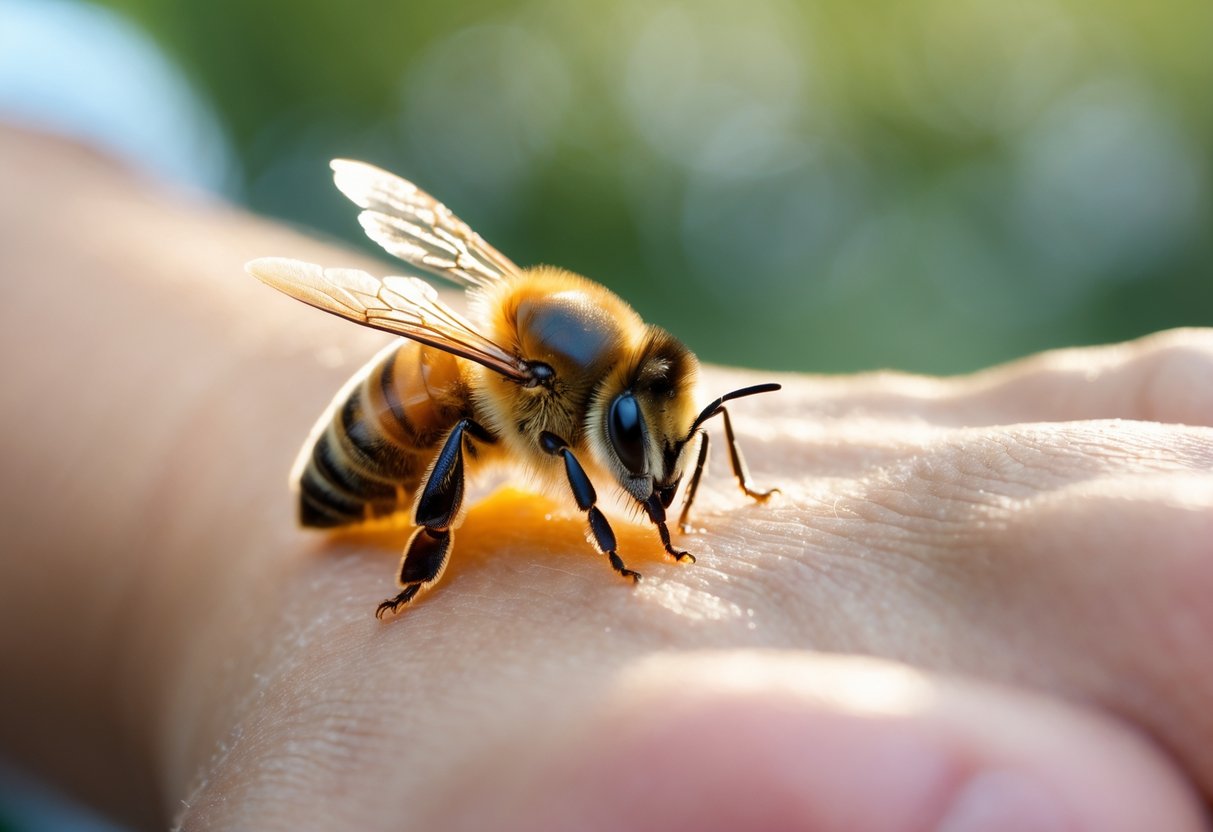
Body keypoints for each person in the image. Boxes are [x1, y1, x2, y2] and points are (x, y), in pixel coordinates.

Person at [2, 125, 1210, 831]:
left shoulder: (606, 375)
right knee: (453, 437)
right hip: (376, 438)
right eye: (637, 435)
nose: (654, 458)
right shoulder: (534, 393)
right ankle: (411, 576)